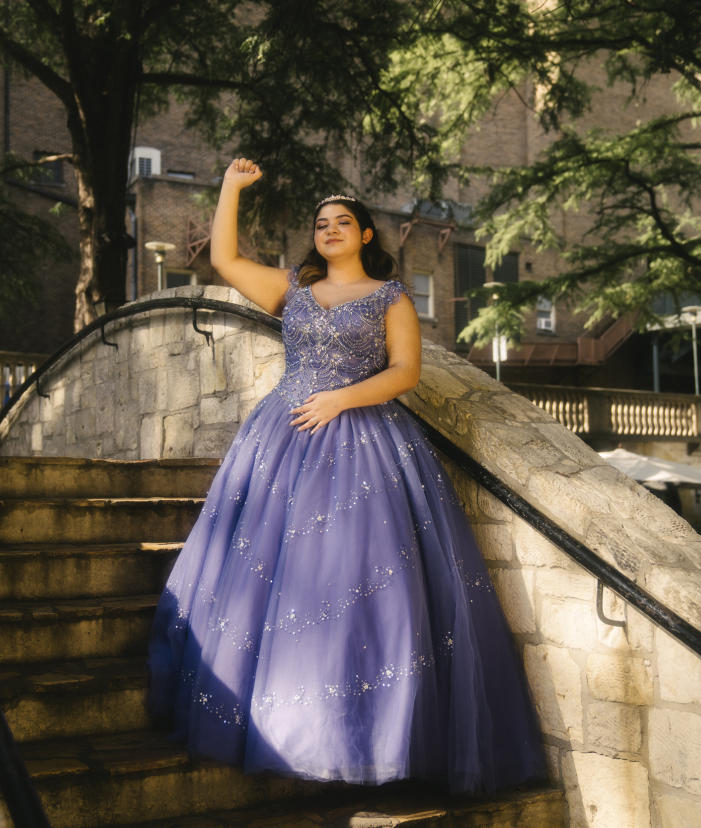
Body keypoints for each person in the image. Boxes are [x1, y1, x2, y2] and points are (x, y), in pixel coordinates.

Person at [147, 158, 546, 794]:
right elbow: (222, 259)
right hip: (282, 439)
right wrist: (230, 188)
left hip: (364, 441)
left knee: (363, 582)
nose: (330, 229)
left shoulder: (391, 297)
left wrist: (341, 399)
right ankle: (284, 720)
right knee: (275, 581)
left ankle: (363, 733)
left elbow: (405, 372)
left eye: (343, 222)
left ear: (365, 235)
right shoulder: (291, 291)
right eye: (321, 223)